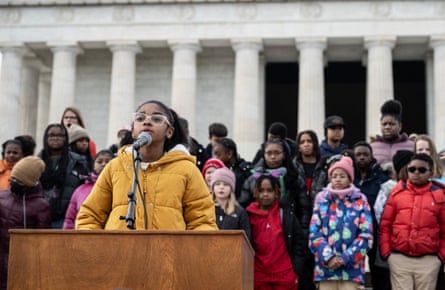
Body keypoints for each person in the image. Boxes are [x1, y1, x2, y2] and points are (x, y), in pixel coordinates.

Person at [76, 100, 217, 230]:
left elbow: (202, 222)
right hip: (119, 255)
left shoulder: (187, 170)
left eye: (156, 119)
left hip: (168, 256)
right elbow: (89, 216)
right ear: (132, 130)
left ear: (169, 132)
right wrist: (96, 252)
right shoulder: (115, 167)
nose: (147, 122)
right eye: (140, 118)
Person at [380, 153, 445, 290]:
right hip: (399, 259)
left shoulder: (440, 196)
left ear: (431, 172)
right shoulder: (396, 193)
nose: (416, 173)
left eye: (421, 170)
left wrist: (440, 257)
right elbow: (385, 225)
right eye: (412, 169)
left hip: (429, 260)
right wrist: (388, 254)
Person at [309, 156, 373, 290]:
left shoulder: (360, 200)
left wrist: (345, 258)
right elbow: (314, 233)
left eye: (342, 176)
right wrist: (329, 257)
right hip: (326, 270)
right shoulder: (321, 199)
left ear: (350, 178)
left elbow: (366, 235)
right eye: (334, 176)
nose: (338, 179)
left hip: (352, 271)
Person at [246, 171, 306, 290]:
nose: (265, 194)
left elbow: (300, 243)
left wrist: (296, 270)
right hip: (259, 274)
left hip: (285, 273)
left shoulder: (286, 215)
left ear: (277, 193)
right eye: (261, 191)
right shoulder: (248, 216)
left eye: (269, 191)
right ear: (255, 193)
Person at [0, 156, 51, 290]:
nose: (13, 182)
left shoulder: (41, 206)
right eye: (13, 178)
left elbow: (42, 240)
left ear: (29, 182)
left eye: (18, 180)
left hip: (22, 260)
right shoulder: (2, 196)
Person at [293, 130, 329, 290]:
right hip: (299, 220)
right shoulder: (293, 166)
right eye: (302, 142)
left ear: (315, 143)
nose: (306, 145)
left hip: (321, 221)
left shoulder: (324, 166)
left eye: (309, 141)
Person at [352, 141, 390, 290]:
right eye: (358, 155)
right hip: (353, 234)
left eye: (365, 154)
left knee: (379, 274)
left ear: (371, 157)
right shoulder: (348, 177)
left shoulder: (381, 178)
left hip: (375, 233)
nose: (362, 157)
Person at [38, 123, 90, 228]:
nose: (56, 138)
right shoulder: (36, 162)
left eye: (60, 135)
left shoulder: (78, 162)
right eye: (51, 135)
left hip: (67, 219)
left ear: (65, 138)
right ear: (45, 138)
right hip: (40, 218)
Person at [63, 149, 113, 229]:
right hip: (83, 234)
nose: (103, 164)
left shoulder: (117, 188)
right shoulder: (80, 190)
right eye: (99, 162)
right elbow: (70, 219)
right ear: (94, 166)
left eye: (108, 162)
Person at [210, 167, 251, 241]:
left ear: (231, 188)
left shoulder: (240, 212)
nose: (221, 187)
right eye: (217, 184)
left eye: (226, 184)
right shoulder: (207, 209)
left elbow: (246, 239)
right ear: (213, 188)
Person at [370, 99, 413, 165]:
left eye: (392, 124)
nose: (387, 127)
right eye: (384, 124)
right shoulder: (371, 147)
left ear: (400, 126)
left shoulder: (412, 145)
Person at [213, 137, 252, 205]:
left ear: (229, 154)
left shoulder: (244, 171)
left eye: (218, 155)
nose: (216, 158)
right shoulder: (218, 170)